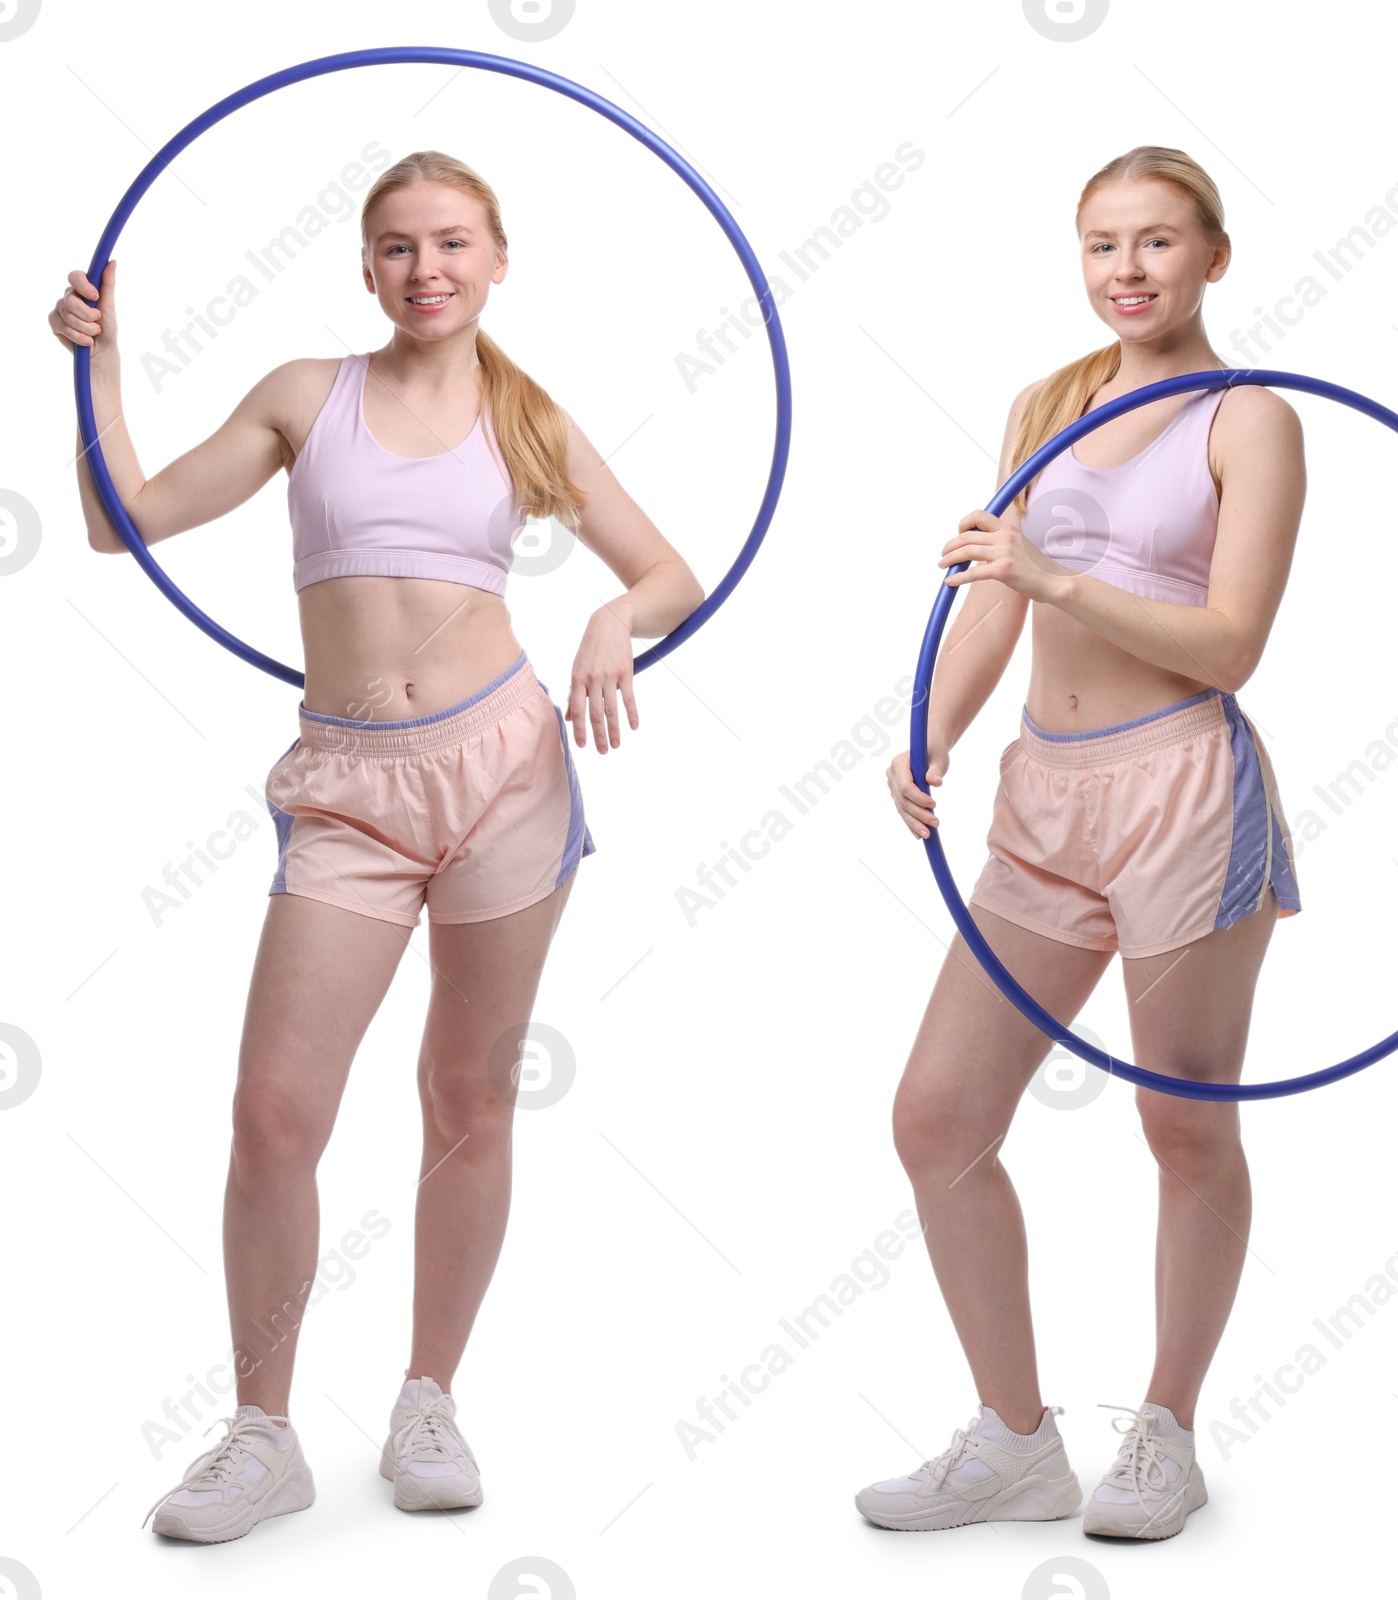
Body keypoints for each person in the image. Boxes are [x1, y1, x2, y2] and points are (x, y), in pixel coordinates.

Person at [51, 149, 704, 1543]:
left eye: (455, 243)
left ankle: (428, 1398)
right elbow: (124, 521)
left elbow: (669, 572)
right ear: (366, 268)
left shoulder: (526, 415)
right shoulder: (308, 395)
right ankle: (263, 1431)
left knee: (467, 1095)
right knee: (274, 1112)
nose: (428, 269)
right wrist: (97, 372)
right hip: (348, 784)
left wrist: (606, 621)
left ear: (498, 259)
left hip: (505, 772)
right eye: (400, 247)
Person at [864, 145, 1304, 1541]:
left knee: (1180, 1121)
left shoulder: (1250, 420)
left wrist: (1061, 574)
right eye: (1104, 243)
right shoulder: (1045, 407)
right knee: (936, 1116)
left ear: (1212, 259)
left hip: (1184, 792)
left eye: (1158, 243)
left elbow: (1233, 640)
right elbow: (993, 599)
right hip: (1043, 800)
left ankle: (1166, 1433)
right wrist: (926, 731)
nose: (1128, 269)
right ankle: (1015, 1440)